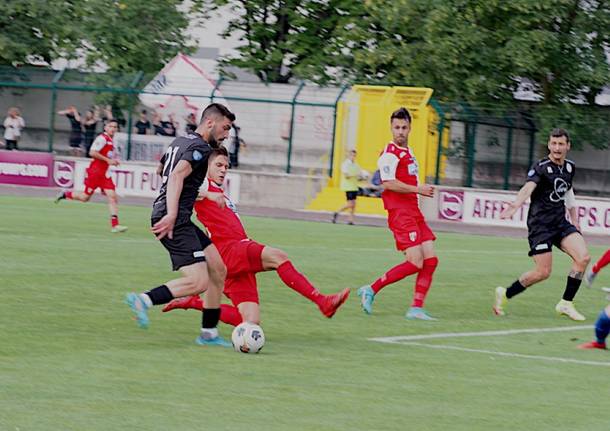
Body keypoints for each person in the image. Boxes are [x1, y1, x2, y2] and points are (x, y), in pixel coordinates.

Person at [162, 147, 350, 325]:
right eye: (218, 165)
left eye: (226, 166)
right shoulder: (202, 184)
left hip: (232, 258)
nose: (223, 170)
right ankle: (322, 301)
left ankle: (195, 303)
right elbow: (181, 186)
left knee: (250, 322)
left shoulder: (220, 192)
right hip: (230, 249)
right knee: (278, 257)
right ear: (206, 167)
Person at [125, 103, 236, 347]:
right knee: (199, 281)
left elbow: (162, 168)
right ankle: (143, 300)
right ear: (210, 122)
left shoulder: (180, 141)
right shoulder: (199, 147)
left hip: (179, 217)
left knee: (218, 269)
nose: (227, 134)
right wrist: (172, 212)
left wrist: (194, 195)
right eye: (225, 128)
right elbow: (176, 175)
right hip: (173, 219)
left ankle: (208, 334)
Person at [494, 128, 590, 321]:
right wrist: (515, 204)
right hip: (540, 226)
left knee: (583, 257)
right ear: (549, 145)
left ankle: (566, 303)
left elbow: (568, 194)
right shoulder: (541, 167)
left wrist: (575, 220)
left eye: (561, 144)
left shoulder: (570, 167)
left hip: (560, 223)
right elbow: (528, 187)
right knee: (543, 272)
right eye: (553, 143)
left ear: (567, 146)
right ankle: (505, 293)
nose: (557, 148)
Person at [356, 107, 439, 321]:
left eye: (404, 127)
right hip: (400, 214)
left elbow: (408, 180)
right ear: (391, 128)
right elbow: (389, 183)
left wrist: (419, 189)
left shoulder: (409, 153)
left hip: (414, 212)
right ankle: (371, 289)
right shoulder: (389, 154)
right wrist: (417, 189)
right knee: (415, 262)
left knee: (431, 259)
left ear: (410, 128)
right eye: (396, 127)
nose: (400, 131)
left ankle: (416, 308)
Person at [55, 120, 128, 233]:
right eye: (110, 126)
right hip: (95, 173)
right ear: (105, 128)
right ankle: (65, 194)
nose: (113, 129)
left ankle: (115, 225)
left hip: (104, 174)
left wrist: (113, 161)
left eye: (115, 127)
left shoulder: (111, 141)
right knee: (85, 198)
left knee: (112, 196)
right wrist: (108, 160)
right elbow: (92, 152)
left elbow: (107, 155)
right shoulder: (102, 139)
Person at [332, 149, 364, 225]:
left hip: (354, 186)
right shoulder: (345, 164)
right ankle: (337, 212)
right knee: (350, 204)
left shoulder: (356, 165)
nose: (353, 157)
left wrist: (362, 177)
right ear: (349, 155)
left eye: (354, 155)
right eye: (352, 155)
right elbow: (347, 176)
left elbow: (359, 175)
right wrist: (356, 175)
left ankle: (350, 220)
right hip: (348, 186)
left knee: (353, 205)